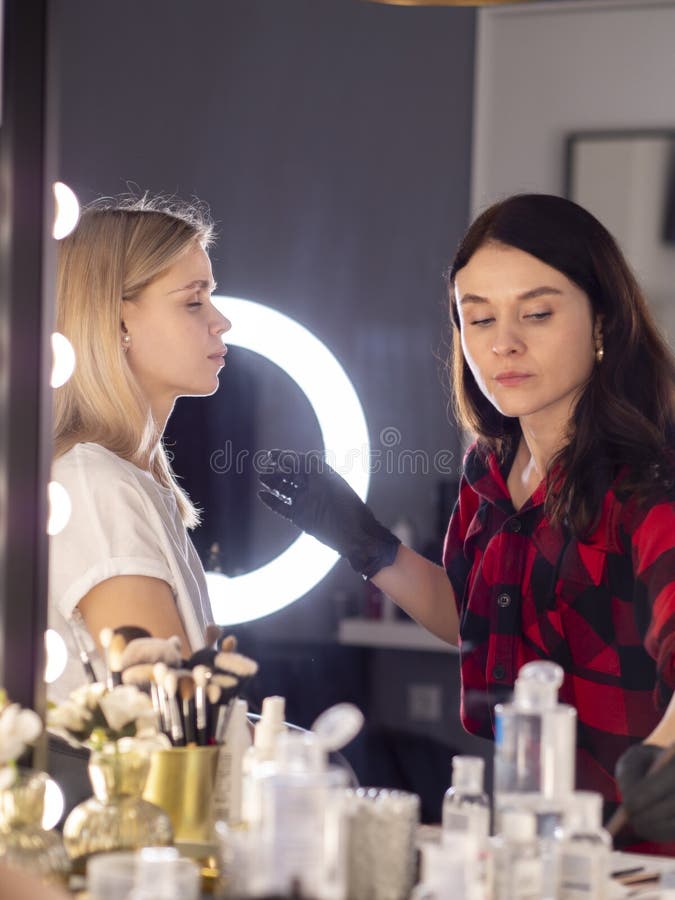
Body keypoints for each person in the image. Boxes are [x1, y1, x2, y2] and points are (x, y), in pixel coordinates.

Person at [258, 194, 675, 845]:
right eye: (476, 319)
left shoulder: (649, 480)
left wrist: (666, 760)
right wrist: (367, 545)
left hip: (645, 847)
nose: (503, 343)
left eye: (536, 313)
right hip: (538, 833)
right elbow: (474, 620)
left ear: (602, 321)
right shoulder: (490, 467)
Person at [49, 197, 231, 702]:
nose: (221, 322)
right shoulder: (93, 488)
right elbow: (165, 723)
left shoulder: (132, 485)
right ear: (118, 320)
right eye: (193, 301)